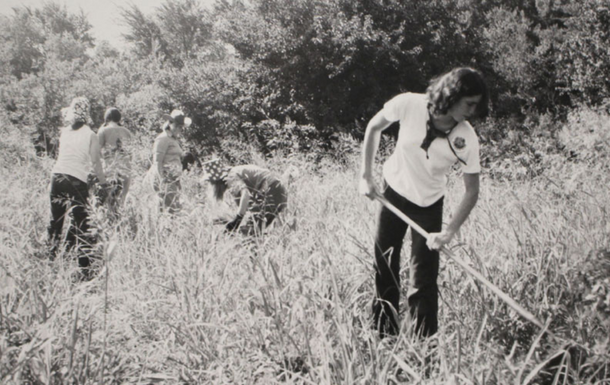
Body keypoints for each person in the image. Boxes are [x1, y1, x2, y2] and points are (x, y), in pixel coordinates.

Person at [359, 67, 489, 338]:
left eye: (477, 105)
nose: (473, 111)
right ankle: (383, 338)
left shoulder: (467, 138)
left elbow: (472, 190)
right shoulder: (409, 104)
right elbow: (374, 127)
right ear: (452, 95)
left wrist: (449, 231)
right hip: (393, 193)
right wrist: (366, 177)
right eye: (469, 103)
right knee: (385, 268)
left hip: (429, 206)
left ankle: (423, 353)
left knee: (423, 283)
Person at [48, 96, 107, 274]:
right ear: (87, 114)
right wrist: (104, 184)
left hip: (57, 177)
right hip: (75, 180)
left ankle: (51, 262)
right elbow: (96, 163)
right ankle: (84, 269)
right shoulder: (91, 135)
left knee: (55, 222)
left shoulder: (65, 132)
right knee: (82, 224)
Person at [204, 160, 288, 235]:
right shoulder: (236, 172)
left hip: (271, 190)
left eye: (211, 184)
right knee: (255, 230)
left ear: (216, 182)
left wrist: (237, 219)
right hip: (279, 190)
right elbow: (248, 205)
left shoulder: (231, 177)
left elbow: (246, 194)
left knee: (248, 232)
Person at [149, 109, 191, 214]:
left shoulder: (173, 139)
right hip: (165, 178)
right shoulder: (162, 139)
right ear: (170, 123)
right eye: (177, 126)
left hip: (173, 178)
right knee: (173, 210)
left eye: (181, 127)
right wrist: (162, 180)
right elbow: (157, 162)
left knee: (167, 210)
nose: (179, 129)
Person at [97, 107, 132, 213]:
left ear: (106, 118)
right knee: (121, 201)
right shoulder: (127, 131)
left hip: (111, 168)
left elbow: (96, 151)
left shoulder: (103, 130)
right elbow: (130, 154)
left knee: (107, 202)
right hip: (125, 169)